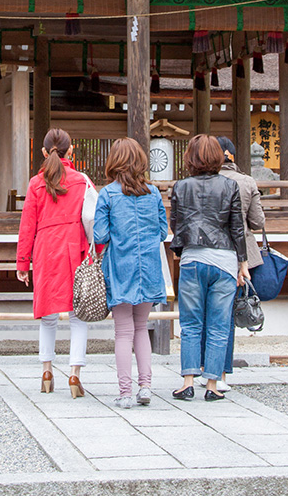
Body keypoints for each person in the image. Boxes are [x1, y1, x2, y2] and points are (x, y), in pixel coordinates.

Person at [170, 133, 248, 402]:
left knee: (190, 323)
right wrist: (243, 263)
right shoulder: (230, 186)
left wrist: (181, 251)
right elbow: (237, 227)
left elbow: (176, 225)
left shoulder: (181, 187)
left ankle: (187, 381)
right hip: (224, 260)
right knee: (218, 325)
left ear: (190, 157)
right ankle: (213, 384)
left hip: (193, 259)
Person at [93, 137, 169, 409]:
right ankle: (146, 386)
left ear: (114, 161)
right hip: (148, 267)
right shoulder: (153, 193)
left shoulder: (108, 194)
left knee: (123, 331)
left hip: (120, 267)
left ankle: (125, 393)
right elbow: (162, 232)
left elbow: (100, 234)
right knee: (141, 328)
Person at [16, 128, 92, 397]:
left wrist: (23, 263)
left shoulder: (36, 183)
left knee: (48, 316)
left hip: (45, 249)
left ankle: (47, 372)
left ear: (44, 152)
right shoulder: (82, 181)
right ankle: (74, 375)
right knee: (77, 315)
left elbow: (27, 226)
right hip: (75, 249)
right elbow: (93, 219)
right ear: (71, 151)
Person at [198, 136, 266, 392]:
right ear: (231, 154)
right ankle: (222, 373)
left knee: (204, 313)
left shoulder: (204, 182)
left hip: (206, 250)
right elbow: (258, 221)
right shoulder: (246, 182)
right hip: (239, 256)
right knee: (227, 314)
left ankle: (204, 369)